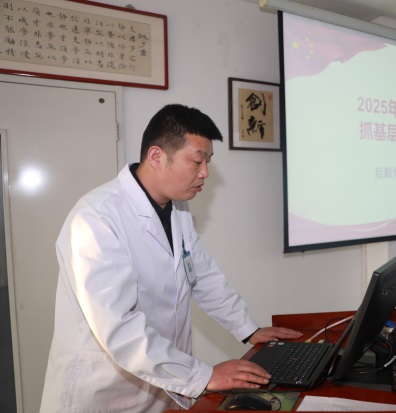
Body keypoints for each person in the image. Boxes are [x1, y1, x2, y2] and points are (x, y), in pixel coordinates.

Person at [40, 104, 302, 412]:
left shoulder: (178, 209)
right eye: (197, 161)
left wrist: (247, 329)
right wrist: (204, 375)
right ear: (156, 156)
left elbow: (201, 274)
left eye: (208, 162)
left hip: (161, 384)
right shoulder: (96, 218)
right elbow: (118, 326)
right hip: (102, 392)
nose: (205, 173)